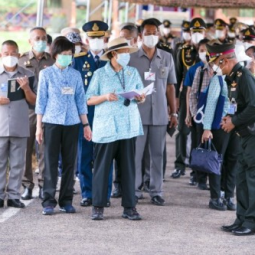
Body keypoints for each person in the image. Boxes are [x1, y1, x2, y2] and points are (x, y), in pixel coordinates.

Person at [86, 37, 145, 220]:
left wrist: (140, 98)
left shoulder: (132, 72)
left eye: (128, 52)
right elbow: (88, 99)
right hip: (107, 128)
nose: (127, 56)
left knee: (128, 168)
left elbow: (140, 92)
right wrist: (104, 97)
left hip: (128, 126)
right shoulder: (100, 74)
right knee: (102, 169)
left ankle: (129, 207)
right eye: (123, 53)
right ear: (113, 54)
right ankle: (98, 206)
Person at [35, 36, 92, 215]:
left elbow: (81, 101)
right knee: (50, 163)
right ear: (55, 54)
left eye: (70, 54)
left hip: (72, 122)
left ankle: (66, 200)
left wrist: (86, 124)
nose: (68, 57)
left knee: (70, 163)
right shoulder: (46, 74)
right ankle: (48, 201)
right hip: (51, 122)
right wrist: (38, 126)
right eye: (64, 54)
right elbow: (41, 101)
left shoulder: (75, 75)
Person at [206, 43, 255, 235]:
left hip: (251, 137)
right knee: (241, 180)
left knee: (251, 180)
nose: (215, 68)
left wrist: (234, 121)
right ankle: (241, 218)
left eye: (216, 63)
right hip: (242, 136)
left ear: (224, 60)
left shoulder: (244, 77)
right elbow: (238, 105)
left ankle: (251, 222)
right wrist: (229, 116)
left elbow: (253, 107)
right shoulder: (232, 78)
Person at [129, 18, 177, 206]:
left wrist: (173, 113)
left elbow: (171, 87)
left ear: (159, 34)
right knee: (136, 154)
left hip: (159, 116)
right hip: (137, 114)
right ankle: (134, 189)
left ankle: (156, 190)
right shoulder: (132, 58)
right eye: (147, 33)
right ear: (141, 35)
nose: (151, 36)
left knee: (157, 154)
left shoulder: (166, 57)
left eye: (154, 32)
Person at [72, 20, 113, 208]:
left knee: (106, 157)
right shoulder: (78, 60)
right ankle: (87, 193)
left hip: (108, 114)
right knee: (85, 157)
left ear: (106, 37)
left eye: (99, 38)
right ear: (86, 39)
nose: (96, 41)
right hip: (86, 115)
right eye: (92, 38)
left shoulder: (112, 59)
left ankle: (105, 194)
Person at [19, 27, 54, 201]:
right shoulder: (21, 60)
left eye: (44, 38)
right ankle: (26, 185)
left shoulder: (53, 59)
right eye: (37, 38)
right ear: (30, 41)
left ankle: (43, 185)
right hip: (27, 112)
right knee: (27, 149)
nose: (41, 41)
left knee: (45, 149)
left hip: (48, 111)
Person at [0, 40, 36, 208]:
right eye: (6, 53)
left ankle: (14, 195)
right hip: (0, 125)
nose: (9, 56)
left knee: (17, 163)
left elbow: (35, 101)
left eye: (13, 53)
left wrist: (26, 88)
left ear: (18, 54)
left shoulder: (27, 74)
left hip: (20, 124)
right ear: (1, 55)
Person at [172, 18, 206, 180]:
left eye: (200, 32)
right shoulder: (183, 50)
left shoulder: (209, 49)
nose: (197, 34)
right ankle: (179, 165)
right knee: (183, 130)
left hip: (205, 93)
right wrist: (176, 99)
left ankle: (196, 169)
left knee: (198, 132)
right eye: (195, 32)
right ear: (190, 33)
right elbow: (177, 75)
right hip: (186, 92)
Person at [184, 38, 210, 189]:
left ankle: (208, 174)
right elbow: (189, 93)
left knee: (209, 145)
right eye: (201, 50)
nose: (204, 53)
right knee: (197, 145)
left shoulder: (218, 69)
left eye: (207, 50)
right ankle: (197, 175)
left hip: (213, 115)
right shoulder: (194, 69)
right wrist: (189, 113)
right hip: (198, 113)